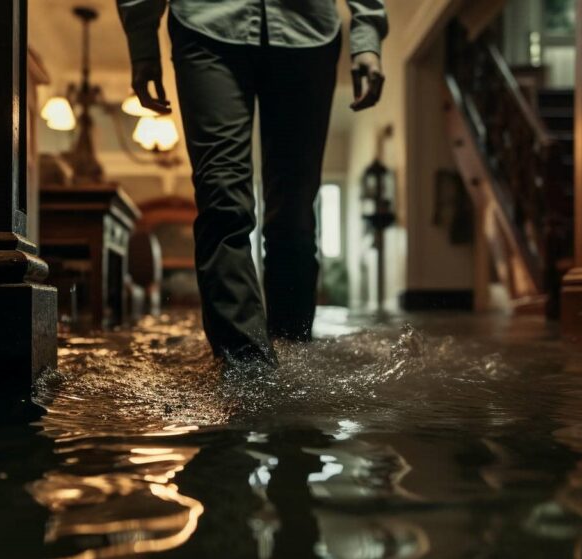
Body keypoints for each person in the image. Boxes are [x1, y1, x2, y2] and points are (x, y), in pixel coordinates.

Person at [117, 0, 388, 366]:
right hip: (204, 27)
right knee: (222, 199)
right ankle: (245, 367)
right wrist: (142, 39)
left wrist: (367, 32)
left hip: (309, 34)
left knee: (293, 212)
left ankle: (293, 351)